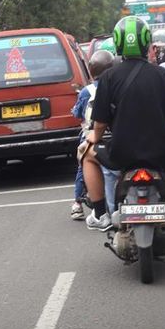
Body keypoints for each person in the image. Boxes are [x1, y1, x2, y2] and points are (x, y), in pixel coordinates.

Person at [81, 16, 165, 260]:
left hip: (121, 155)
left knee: (85, 156)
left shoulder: (108, 78)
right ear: (147, 42)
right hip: (161, 153)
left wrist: (91, 138)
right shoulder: (161, 75)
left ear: (117, 45)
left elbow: (100, 122)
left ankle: (100, 213)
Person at [69, 49, 116, 220]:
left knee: (83, 164)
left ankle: (78, 203)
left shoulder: (86, 91)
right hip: (114, 134)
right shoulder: (115, 85)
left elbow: (78, 113)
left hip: (92, 134)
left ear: (91, 71)